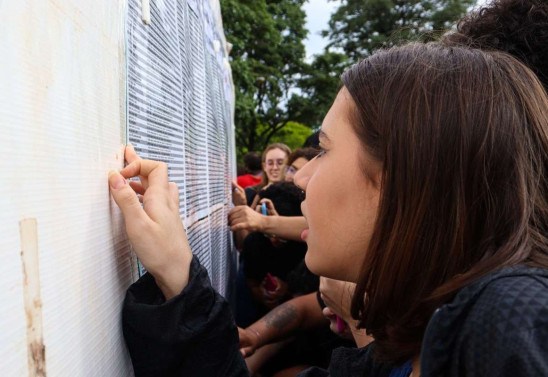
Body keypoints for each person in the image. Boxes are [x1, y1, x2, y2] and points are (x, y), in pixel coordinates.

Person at [109, 4, 548, 375]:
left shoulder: (513, 321)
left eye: (323, 149)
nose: (299, 178)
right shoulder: (418, 344)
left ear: (399, 179)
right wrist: (175, 269)